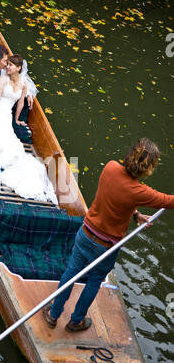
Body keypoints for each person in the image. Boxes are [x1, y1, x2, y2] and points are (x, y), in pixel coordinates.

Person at [43, 138, 174, 332]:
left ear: (130, 154)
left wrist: (135, 214)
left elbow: (116, 197)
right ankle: (76, 320)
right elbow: (169, 201)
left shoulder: (110, 168)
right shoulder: (141, 192)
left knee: (71, 271)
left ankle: (53, 314)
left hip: (86, 234)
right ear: (148, 169)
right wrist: (136, 211)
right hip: (105, 248)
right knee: (95, 280)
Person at [0, 54, 57, 204]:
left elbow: (20, 103)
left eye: (11, 65)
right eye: (7, 64)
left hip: (7, 116)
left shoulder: (24, 83)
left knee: (14, 144)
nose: (7, 67)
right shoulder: (4, 79)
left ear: (18, 68)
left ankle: (26, 175)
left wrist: (17, 119)